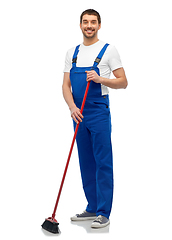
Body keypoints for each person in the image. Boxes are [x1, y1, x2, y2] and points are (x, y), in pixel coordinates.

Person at [62, 9, 127, 229]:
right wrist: (71, 107)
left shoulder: (108, 50)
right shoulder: (73, 53)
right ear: (80, 25)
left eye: (93, 22)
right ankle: (91, 207)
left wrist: (101, 79)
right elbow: (65, 85)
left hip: (98, 112)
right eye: (85, 22)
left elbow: (123, 81)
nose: (89, 26)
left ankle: (103, 212)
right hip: (78, 114)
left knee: (102, 161)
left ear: (99, 25)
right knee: (86, 161)